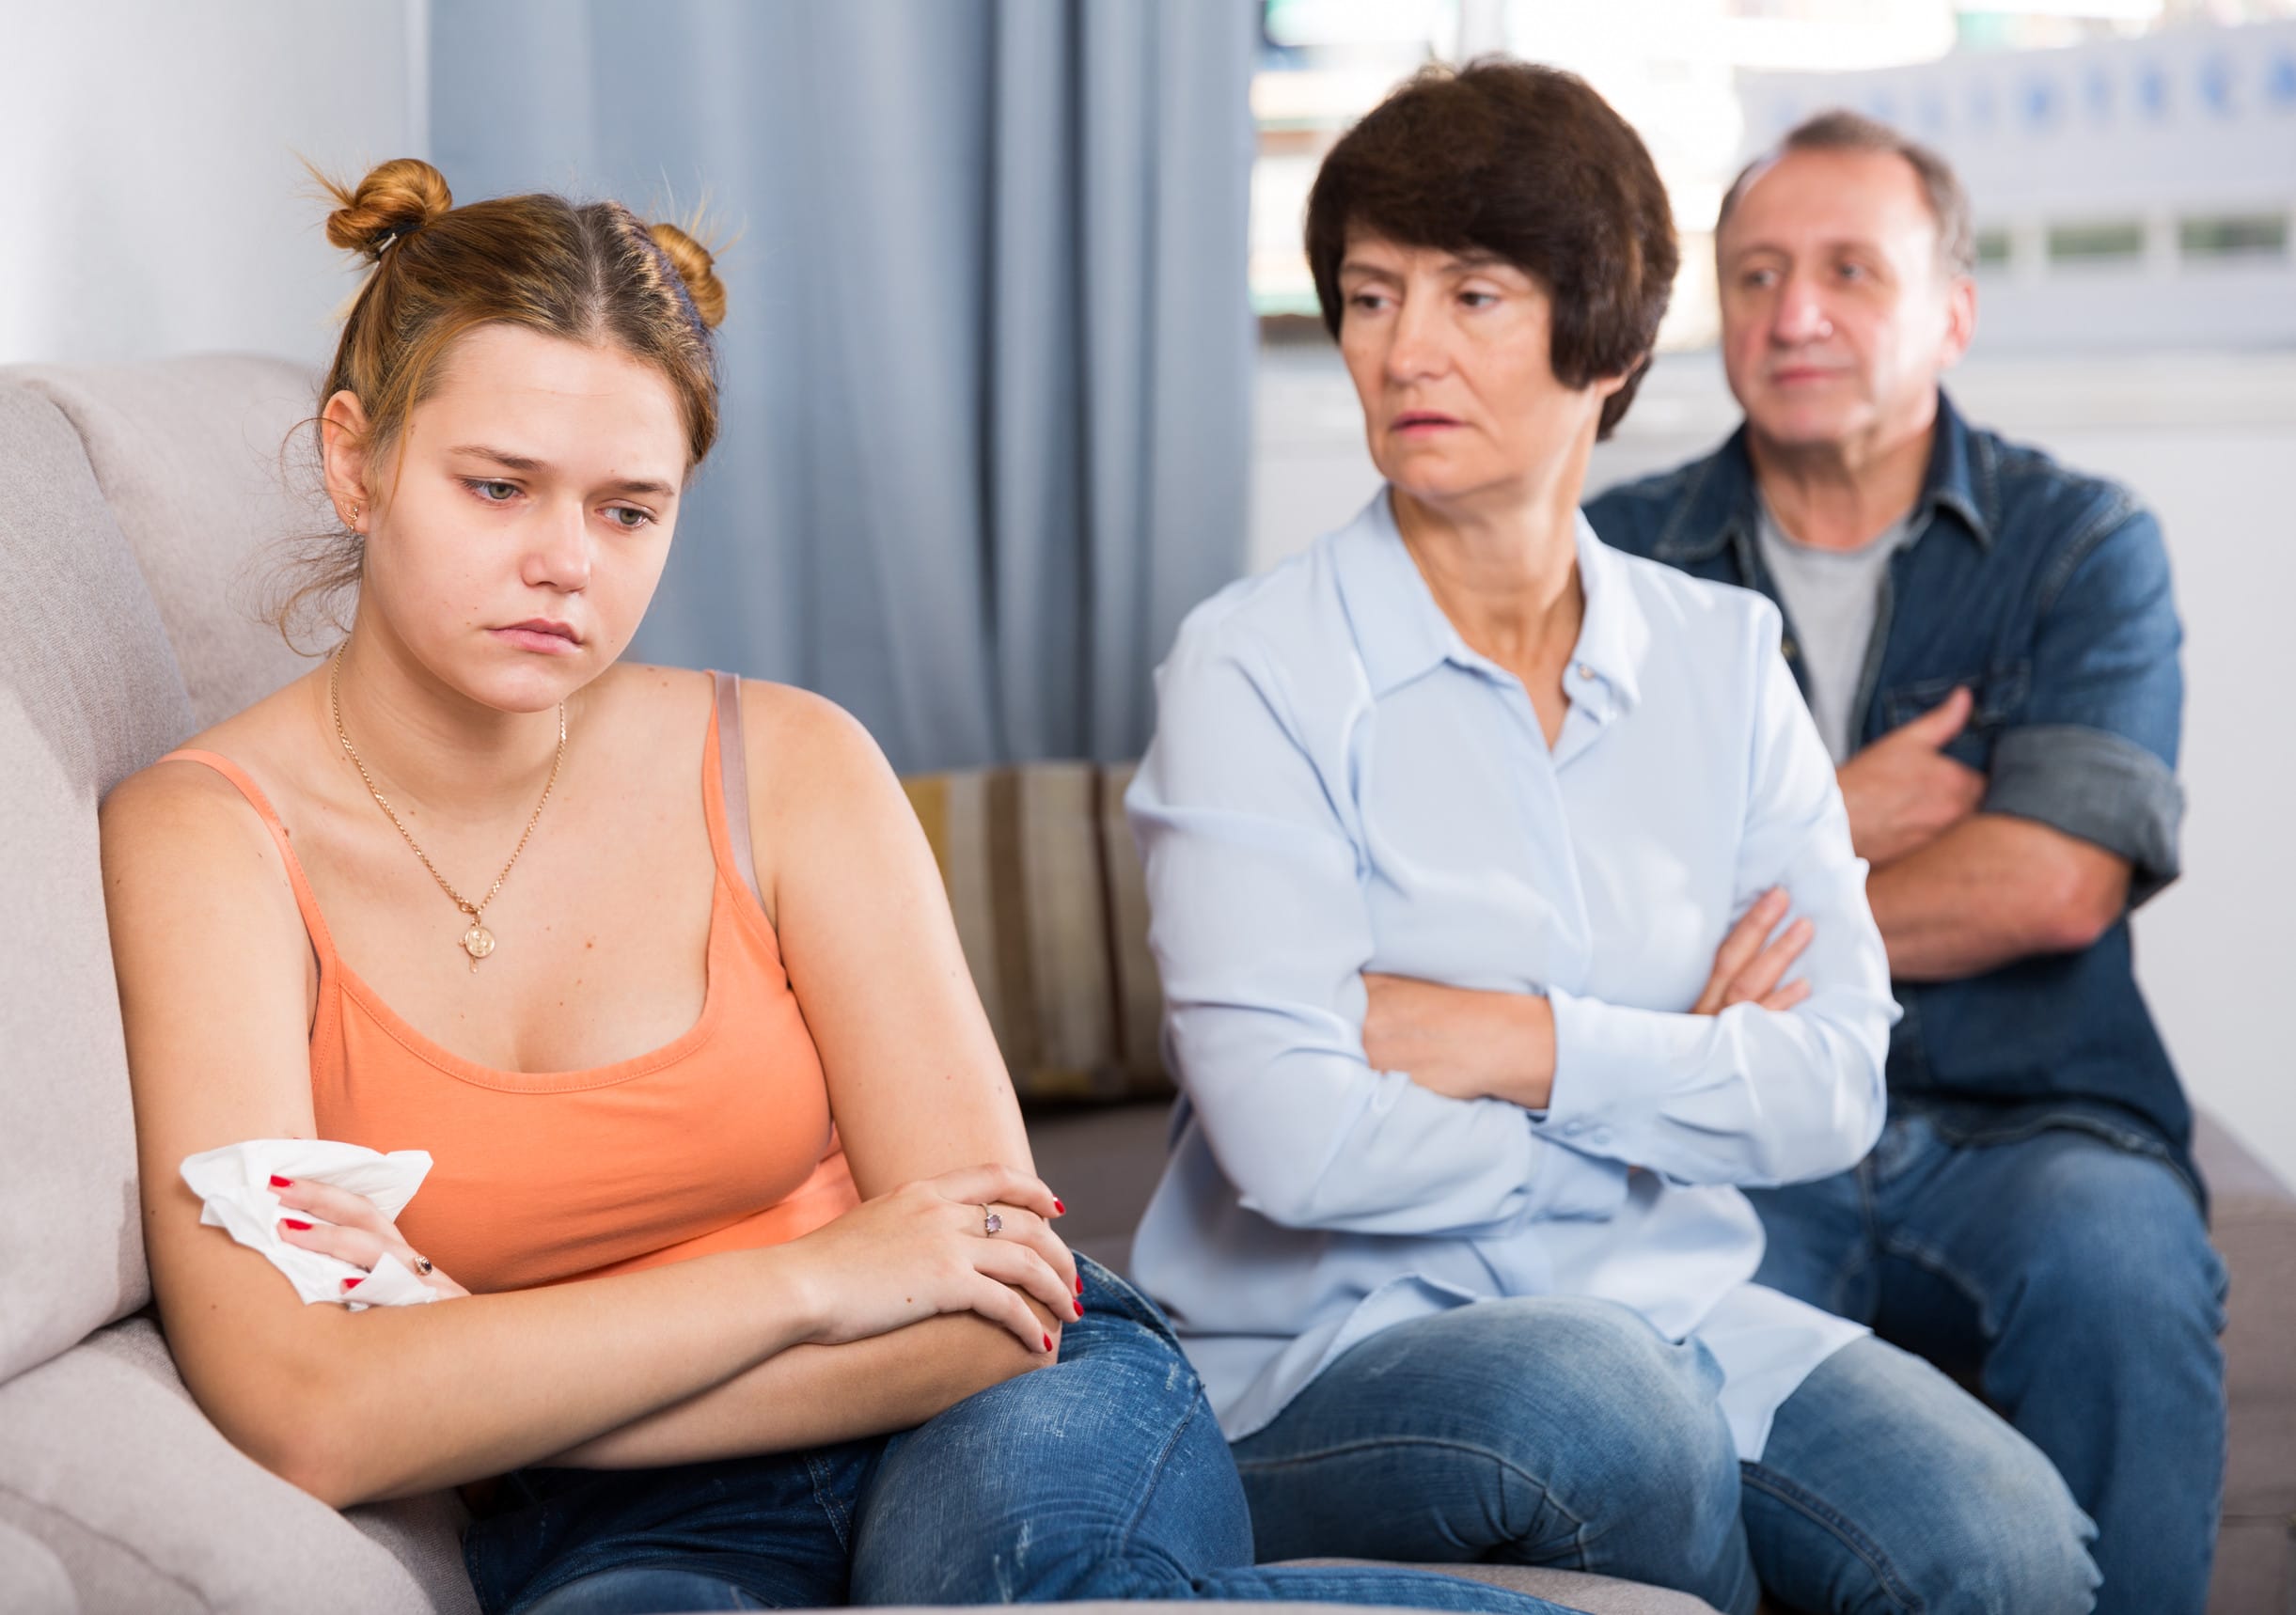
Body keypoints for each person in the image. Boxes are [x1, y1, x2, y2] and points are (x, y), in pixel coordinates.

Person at [101, 158, 1594, 1615]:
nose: (565, 563)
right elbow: (306, 1409)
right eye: (498, 487)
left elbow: (996, 1299)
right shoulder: (208, 838)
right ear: (356, 459)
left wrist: (482, 1370)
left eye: (629, 510)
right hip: (624, 1512)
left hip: (987, 1410)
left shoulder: (789, 762)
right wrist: (818, 1276)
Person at [1126, 63, 2099, 1615]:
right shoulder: (1252, 666)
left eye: (1472, 294)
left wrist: (1509, 1040)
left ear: (1611, 342)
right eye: (1370, 295)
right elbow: (1293, 1141)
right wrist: (1668, 1064)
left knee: (2006, 1542)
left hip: (1674, 1298)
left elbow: (1829, 1084)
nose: (1404, 347)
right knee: (1607, 1407)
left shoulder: (1718, 657)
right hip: (1322, 1353)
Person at [1583, 109, 2226, 1615]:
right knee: (1646, 1358)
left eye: (1847, 272)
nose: (1791, 313)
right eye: (1751, 276)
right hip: (1728, 1123)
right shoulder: (1614, 557)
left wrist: (1750, 863)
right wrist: (1840, 806)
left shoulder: (2076, 543)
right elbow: (1569, 902)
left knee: (2123, 1270)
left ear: (1952, 310)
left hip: (2031, 1123)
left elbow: (2054, 882)